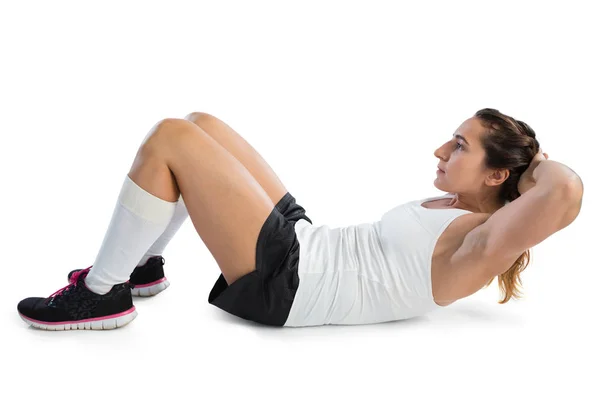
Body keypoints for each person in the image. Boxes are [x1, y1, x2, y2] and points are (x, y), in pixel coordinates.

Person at [17, 108, 584, 330]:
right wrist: (519, 167)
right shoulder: (460, 208)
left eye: (459, 146)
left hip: (290, 285)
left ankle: (102, 294)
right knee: (201, 125)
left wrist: (533, 162)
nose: (440, 151)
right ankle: (141, 267)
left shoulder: (479, 245)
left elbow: (565, 193)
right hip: (309, 244)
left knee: (172, 139)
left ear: (496, 176)